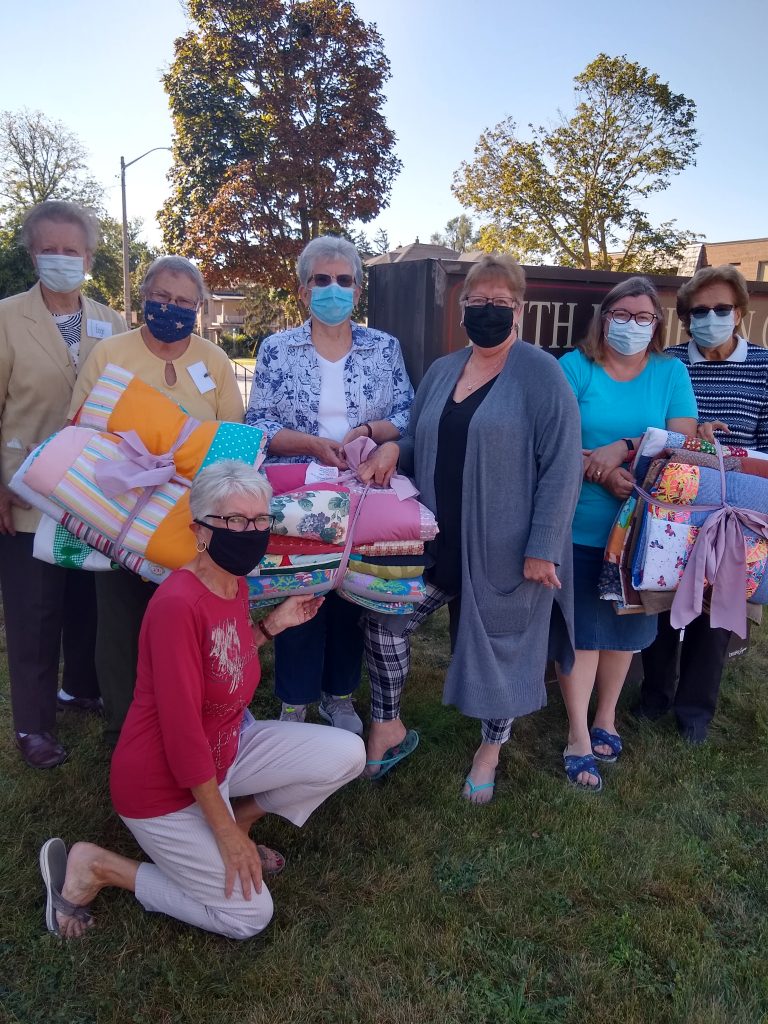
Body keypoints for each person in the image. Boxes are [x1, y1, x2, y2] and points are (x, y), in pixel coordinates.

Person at [38, 461, 365, 940]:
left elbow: (221, 663)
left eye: (259, 521)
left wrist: (272, 626)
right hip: (160, 786)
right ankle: (102, 867)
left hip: (226, 751)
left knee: (346, 754)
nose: (250, 532)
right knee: (249, 915)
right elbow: (182, 734)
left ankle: (242, 817)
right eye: (235, 521)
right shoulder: (176, 605)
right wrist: (225, 835)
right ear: (200, 531)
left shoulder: (233, 584)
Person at [358, 254, 582, 803]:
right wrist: (392, 446)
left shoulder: (540, 373)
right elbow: (420, 438)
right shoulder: (442, 370)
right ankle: (388, 723)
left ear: (519, 310)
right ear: (462, 309)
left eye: (500, 304)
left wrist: (543, 547)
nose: (487, 312)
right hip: (437, 541)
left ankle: (490, 749)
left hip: (509, 551)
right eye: (477, 302)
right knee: (386, 620)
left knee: (502, 651)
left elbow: (562, 464)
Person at [68, 255, 245, 746]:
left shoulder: (213, 360)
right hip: (122, 508)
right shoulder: (110, 353)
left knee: (190, 620)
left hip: (195, 513)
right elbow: (80, 426)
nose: (172, 308)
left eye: (185, 302)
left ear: (199, 307)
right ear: (143, 296)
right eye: (162, 298)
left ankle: (193, 723)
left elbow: (232, 434)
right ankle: (124, 730)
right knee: (121, 619)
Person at [246, 235, 413, 735]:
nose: (333, 289)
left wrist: (376, 438)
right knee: (298, 586)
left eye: (344, 280)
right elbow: (258, 423)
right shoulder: (277, 349)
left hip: (366, 490)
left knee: (351, 592)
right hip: (300, 492)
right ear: (303, 291)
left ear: (358, 290)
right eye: (322, 280)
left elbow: (406, 413)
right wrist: (314, 444)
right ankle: (294, 702)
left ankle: (339, 695)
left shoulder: (385, 348)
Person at [557, 277, 698, 791]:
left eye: (644, 317)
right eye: (623, 314)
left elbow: (681, 439)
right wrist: (601, 469)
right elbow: (550, 441)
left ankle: (606, 718)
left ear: (657, 325)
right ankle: (576, 733)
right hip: (578, 520)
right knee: (583, 633)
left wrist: (624, 446)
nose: (632, 325)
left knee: (624, 631)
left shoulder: (669, 372)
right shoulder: (574, 368)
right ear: (604, 317)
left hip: (646, 530)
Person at [0, 200, 126, 769]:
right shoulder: (6, 318)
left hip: (92, 492)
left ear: (89, 257)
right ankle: (34, 726)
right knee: (34, 610)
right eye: (47, 248)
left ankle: (81, 688)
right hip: (24, 488)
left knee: (86, 602)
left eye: (70, 250)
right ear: (32, 252)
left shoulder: (111, 322)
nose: (59, 259)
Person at [638, 265, 768, 743]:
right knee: (660, 597)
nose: (710, 318)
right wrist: (696, 438)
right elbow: (657, 431)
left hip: (736, 509)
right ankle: (654, 695)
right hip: (673, 502)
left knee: (716, 609)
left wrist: (726, 457)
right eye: (699, 311)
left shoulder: (765, 366)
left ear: (739, 313)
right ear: (686, 318)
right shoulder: (669, 363)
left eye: (721, 309)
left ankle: (694, 712)